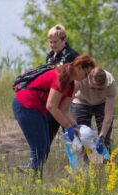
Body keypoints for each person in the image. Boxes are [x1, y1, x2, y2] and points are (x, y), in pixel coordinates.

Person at [12, 55, 96, 178]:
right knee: (39, 148)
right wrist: (69, 128)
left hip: (37, 109)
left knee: (45, 146)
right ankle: (33, 178)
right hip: (25, 105)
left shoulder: (71, 83)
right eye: (86, 73)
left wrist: (77, 128)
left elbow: (64, 110)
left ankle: (32, 172)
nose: (86, 77)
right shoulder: (61, 76)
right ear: (78, 67)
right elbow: (51, 106)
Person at [45, 24, 79, 156]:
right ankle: (37, 167)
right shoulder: (49, 56)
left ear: (64, 40)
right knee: (46, 137)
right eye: (50, 42)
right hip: (52, 100)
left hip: (69, 101)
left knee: (72, 137)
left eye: (55, 42)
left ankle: (79, 168)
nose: (52, 45)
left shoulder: (72, 55)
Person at [70, 67, 116, 155]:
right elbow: (67, 101)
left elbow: (108, 116)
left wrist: (102, 137)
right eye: (93, 88)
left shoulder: (110, 82)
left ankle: (107, 165)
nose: (96, 91)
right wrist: (71, 125)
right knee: (82, 137)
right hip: (81, 102)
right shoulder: (80, 78)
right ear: (88, 79)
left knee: (105, 139)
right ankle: (84, 166)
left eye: (100, 89)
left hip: (102, 103)